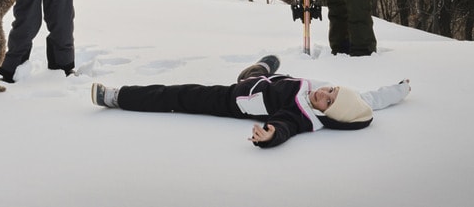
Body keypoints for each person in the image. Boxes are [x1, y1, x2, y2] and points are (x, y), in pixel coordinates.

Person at [90, 54, 411, 149]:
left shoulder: (302, 116)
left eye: (328, 100)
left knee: (176, 95)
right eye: (332, 90)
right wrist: (399, 90)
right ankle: (261, 70)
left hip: (232, 99)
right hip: (265, 84)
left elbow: (284, 127)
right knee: (256, 75)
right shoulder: (332, 97)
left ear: (328, 115)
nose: (324, 93)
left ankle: (117, 97)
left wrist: (270, 135)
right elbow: (371, 99)